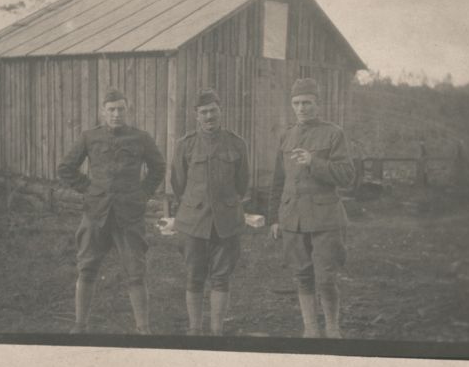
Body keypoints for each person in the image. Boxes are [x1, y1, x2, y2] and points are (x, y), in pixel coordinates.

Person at [58, 89, 166, 335]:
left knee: (136, 273)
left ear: (128, 110)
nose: (116, 114)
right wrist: (89, 189)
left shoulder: (141, 138)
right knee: (86, 268)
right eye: (112, 109)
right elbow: (65, 168)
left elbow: (158, 167)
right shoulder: (89, 137)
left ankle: (143, 329)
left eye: (121, 109)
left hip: (129, 216)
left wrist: (142, 194)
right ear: (103, 112)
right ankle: (80, 325)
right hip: (96, 214)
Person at [267, 78, 355, 338]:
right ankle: (310, 329)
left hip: (326, 218)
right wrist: (274, 218)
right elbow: (278, 181)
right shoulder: (287, 135)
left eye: (307, 103)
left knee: (326, 277)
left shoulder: (333, 133)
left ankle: (332, 327)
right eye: (296, 103)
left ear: (318, 104)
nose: (301, 108)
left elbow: (347, 175)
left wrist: (313, 161)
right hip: (292, 218)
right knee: (301, 275)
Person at [171, 89, 250, 336]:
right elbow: (178, 183)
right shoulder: (186, 145)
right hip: (194, 222)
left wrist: (226, 204)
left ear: (221, 111)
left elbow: (242, 182)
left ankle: (217, 329)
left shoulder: (236, 143)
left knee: (221, 277)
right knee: (194, 277)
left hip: (226, 222)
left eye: (213, 111)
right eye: (203, 112)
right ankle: (195, 328)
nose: (209, 116)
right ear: (196, 116)